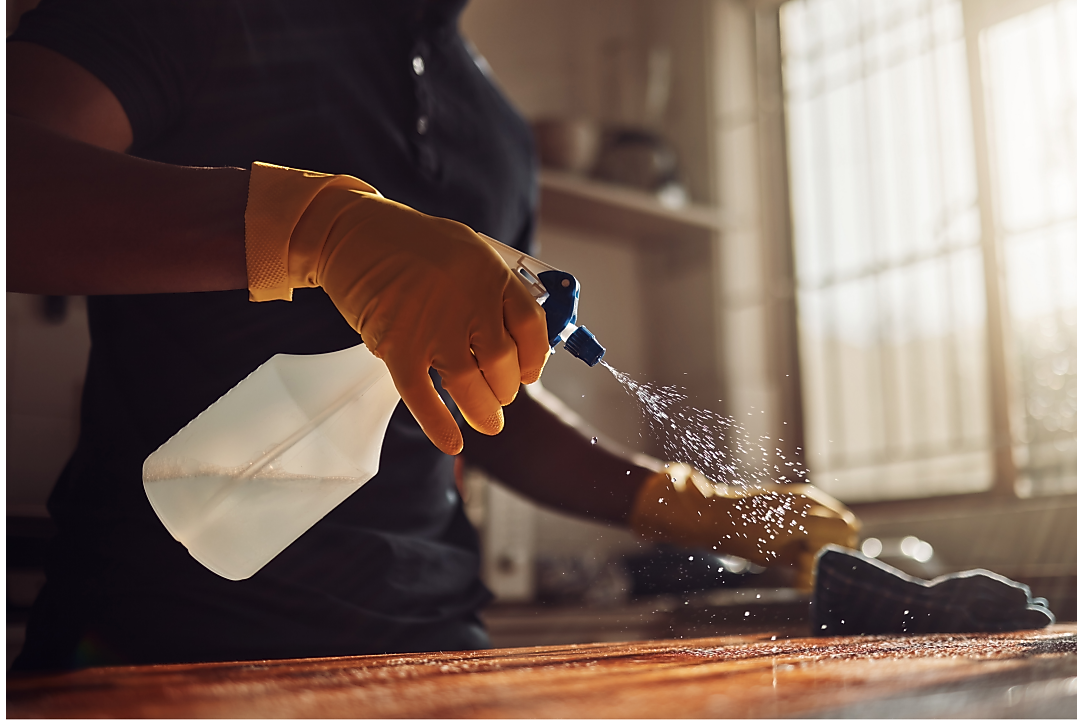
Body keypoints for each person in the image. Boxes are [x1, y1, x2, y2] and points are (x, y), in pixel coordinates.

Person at [8, 0, 859, 672]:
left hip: (430, 646)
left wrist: (691, 507)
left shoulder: (498, 133)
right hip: (156, 643)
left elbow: (481, 399)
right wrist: (314, 228)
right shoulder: (189, 12)